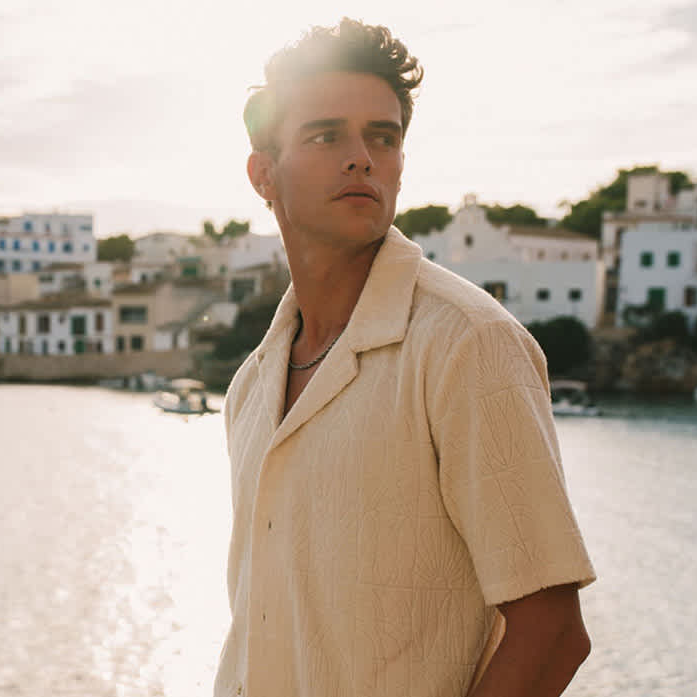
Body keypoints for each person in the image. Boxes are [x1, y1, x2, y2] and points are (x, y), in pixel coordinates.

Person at [215, 19, 596, 697]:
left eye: (383, 137)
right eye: (326, 135)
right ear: (263, 174)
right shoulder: (252, 384)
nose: (361, 158)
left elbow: (551, 634)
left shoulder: (469, 344)